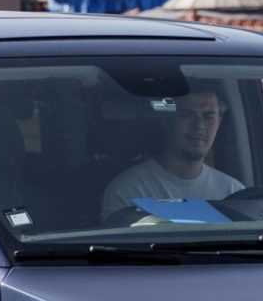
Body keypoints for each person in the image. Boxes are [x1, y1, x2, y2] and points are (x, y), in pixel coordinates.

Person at [99, 86, 243, 218]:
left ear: (219, 123)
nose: (199, 125)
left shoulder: (233, 193)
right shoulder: (130, 190)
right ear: (167, 121)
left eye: (208, 117)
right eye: (186, 114)